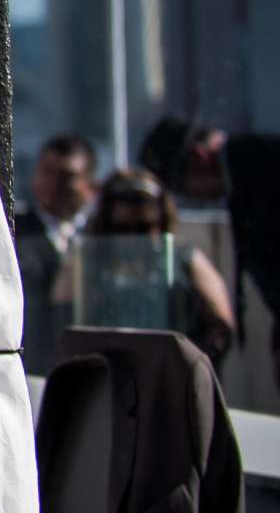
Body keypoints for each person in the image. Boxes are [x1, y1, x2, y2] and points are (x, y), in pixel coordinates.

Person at [141, 116, 280, 378]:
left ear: (198, 156)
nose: (191, 196)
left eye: (182, 187)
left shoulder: (261, 171)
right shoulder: (249, 171)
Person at [71, 167, 236, 361]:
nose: (133, 240)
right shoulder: (89, 264)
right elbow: (62, 311)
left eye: (143, 229)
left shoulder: (184, 260)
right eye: (123, 229)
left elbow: (221, 325)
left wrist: (189, 364)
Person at [14, 134, 97, 373]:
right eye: (46, 172)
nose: (53, 184)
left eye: (66, 177)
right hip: (33, 364)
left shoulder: (100, 233)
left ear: (89, 183)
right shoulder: (15, 232)